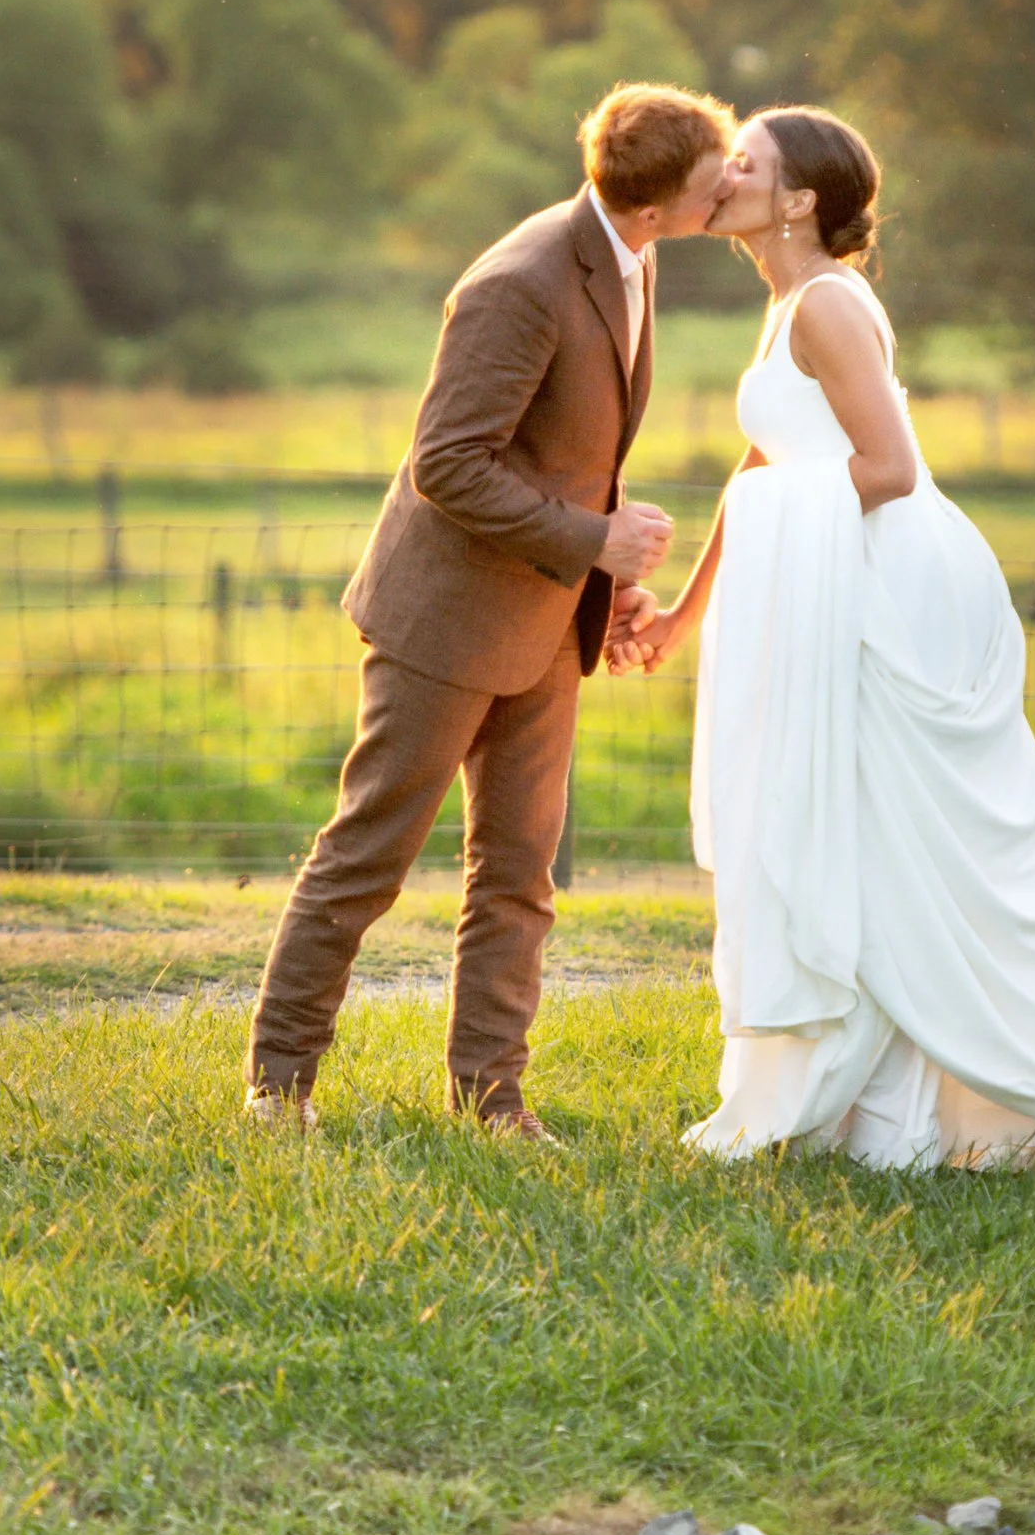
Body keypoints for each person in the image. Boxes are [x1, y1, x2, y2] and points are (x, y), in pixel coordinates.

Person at [620, 108, 1035, 1177]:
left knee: (915, 849)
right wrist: (682, 614)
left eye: (745, 164)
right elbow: (761, 471)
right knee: (850, 843)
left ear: (800, 199)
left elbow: (889, 469)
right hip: (834, 577)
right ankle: (872, 1108)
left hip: (889, 590)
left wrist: (768, 544)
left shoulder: (830, 307)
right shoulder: (783, 307)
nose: (722, 175)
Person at [246, 81, 735, 1140]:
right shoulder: (520, 281)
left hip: (545, 625)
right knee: (366, 857)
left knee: (520, 875)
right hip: (446, 621)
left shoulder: (630, 256)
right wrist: (591, 542)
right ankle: (277, 1086)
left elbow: (563, 454)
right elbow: (447, 464)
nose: (731, 189)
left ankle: (491, 1102)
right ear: (656, 204)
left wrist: (604, 586)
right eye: (714, 180)